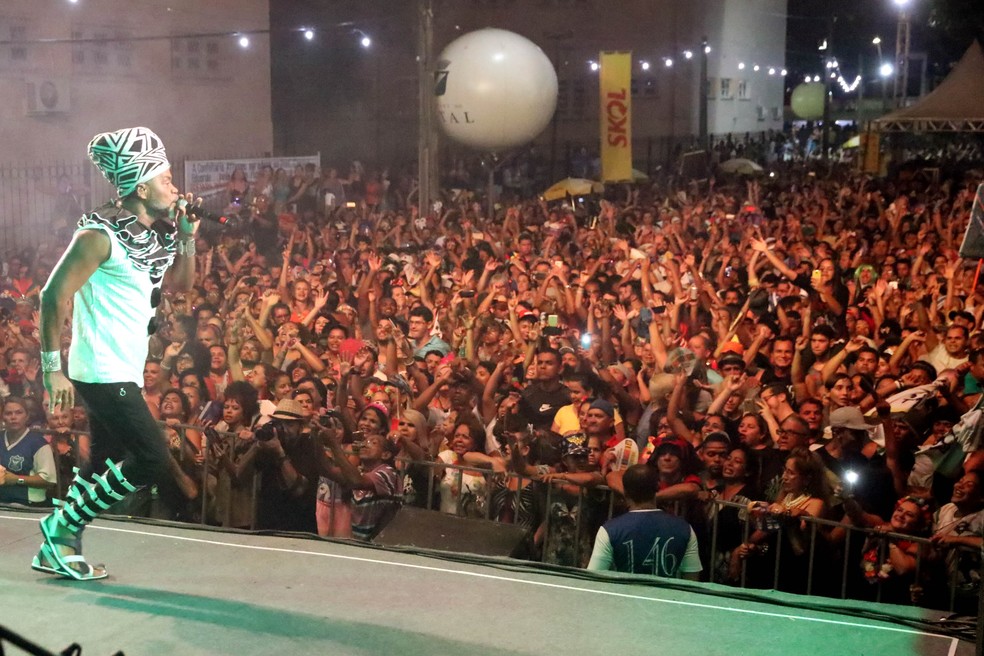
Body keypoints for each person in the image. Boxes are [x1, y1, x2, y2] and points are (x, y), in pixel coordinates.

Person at [34, 126, 200, 580]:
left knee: (102, 462)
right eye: (166, 179)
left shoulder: (152, 233)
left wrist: (187, 234)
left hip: (123, 369)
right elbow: (52, 297)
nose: (175, 187)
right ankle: (60, 526)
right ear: (141, 187)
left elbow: (182, 286)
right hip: (100, 369)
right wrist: (52, 371)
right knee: (150, 456)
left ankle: (59, 545)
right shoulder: (98, 234)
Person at [587, 464, 702, 580]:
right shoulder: (685, 529)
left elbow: (594, 577)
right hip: (665, 597)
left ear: (624, 491)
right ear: (658, 487)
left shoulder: (609, 530)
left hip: (625, 596)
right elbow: (692, 579)